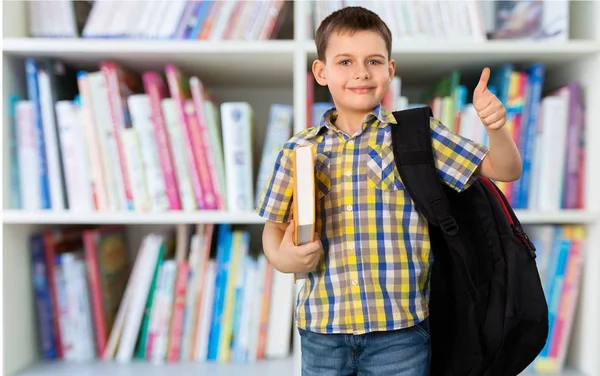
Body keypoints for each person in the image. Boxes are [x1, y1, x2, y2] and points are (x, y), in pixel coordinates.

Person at [256, 6, 522, 376]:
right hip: (321, 330)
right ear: (321, 72)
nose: (361, 72)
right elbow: (273, 227)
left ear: (390, 70)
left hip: (401, 332)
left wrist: (496, 128)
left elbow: (505, 170)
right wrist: (283, 258)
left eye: (374, 61)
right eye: (345, 61)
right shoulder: (299, 149)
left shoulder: (417, 135)